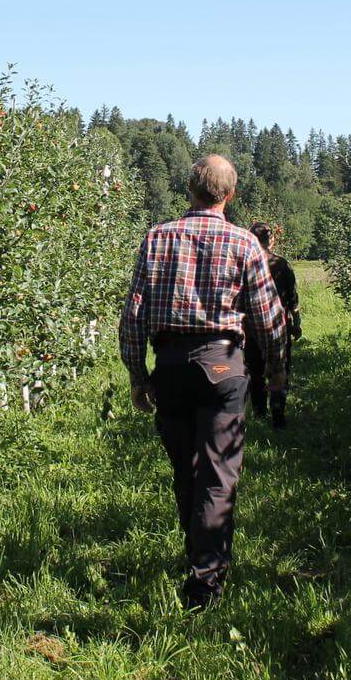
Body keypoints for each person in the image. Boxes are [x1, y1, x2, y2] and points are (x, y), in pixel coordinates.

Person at [118, 154, 289, 609]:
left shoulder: (157, 239)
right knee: (218, 475)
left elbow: (134, 316)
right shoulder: (246, 245)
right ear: (229, 195)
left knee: (186, 470)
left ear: (188, 189)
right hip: (223, 367)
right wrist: (274, 371)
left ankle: (198, 557)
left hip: (171, 367)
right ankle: (204, 583)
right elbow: (269, 320)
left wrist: (138, 375)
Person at [244, 222, 301, 429]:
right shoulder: (282, 265)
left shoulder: (246, 265)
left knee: (255, 370)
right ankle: (278, 413)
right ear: (272, 240)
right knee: (280, 367)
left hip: (250, 329)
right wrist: (297, 323)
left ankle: (259, 412)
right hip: (280, 326)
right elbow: (293, 298)